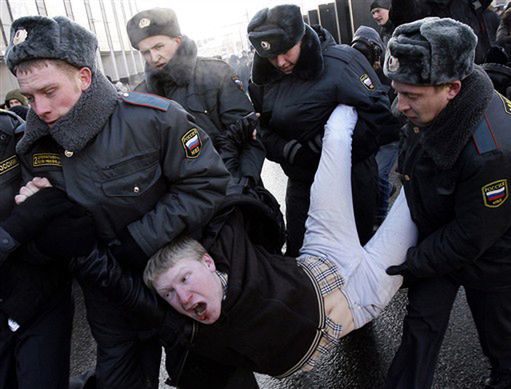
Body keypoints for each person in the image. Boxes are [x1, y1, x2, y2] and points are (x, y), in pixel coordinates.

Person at [71, 104, 418, 383]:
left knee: (337, 139)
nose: (183, 297)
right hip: (361, 298)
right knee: (416, 198)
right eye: (169, 294)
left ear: (207, 261)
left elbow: (222, 170)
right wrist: (74, 240)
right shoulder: (182, 325)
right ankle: (427, 141)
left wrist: (246, 126)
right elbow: (115, 283)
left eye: (184, 280)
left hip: (320, 258)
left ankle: (392, 98)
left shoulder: (226, 236)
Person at [5, 15, 230, 389]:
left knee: (210, 375)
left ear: (84, 77)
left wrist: (138, 241)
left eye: (48, 91)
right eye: (29, 97)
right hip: (108, 298)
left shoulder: (154, 119)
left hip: (175, 280)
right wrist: (45, 224)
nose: (39, 109)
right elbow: (46, 231)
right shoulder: (35, 145)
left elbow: (206, 182)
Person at [382, 17, 511, 389]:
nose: (399, 105)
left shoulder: (491, 151)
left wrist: (412, 264)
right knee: (417, 335)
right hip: (441, 235)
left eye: (411, 96)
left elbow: (471, 237)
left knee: (502, 344)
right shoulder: (432, 102)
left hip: (493, 256)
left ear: (453, 88)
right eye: (397, 91)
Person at [247, 4, 400, 256]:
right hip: (301, 182)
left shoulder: (342, 62)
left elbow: (380, 120)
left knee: (351, 255)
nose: (280, 62)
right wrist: (288, 150)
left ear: (301, 38)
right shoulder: (263, 80)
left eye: (286, 52)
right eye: (271, 56)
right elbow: (262, 128)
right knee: (300, 255)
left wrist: (331, 145)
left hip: (350, 179)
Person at [0, 110, 92, 388]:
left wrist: (44, 238)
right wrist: (14, 230)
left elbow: (60, 208)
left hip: (39, 296)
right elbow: (26, 221)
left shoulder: (13, 131)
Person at [126, 8, 265, 185]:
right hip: (186, 201)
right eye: (145, 52)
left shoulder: (217, 73)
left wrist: (243, 183)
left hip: (237, 189)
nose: (153, 57)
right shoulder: (141, 96)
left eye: (158, 47)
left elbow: (251, 136)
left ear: (177, 41)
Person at [389, 0, 495, 64]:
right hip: (441, 79)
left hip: (478, 68)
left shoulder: (468, 3)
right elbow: (401, 15)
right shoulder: (418, 6)